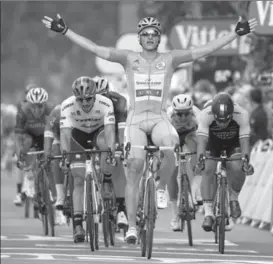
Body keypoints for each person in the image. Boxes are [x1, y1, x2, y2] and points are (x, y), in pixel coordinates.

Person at [42, 13, 257, 243]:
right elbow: (96, 49)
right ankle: (132, 226)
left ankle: (162, 187)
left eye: (154, 34)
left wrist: (234, 34)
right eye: (146, 34)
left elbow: (204, 50)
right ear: (140, 38)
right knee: (134, 167)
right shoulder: (128, 58)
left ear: (159, 38)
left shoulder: (171, 58)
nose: (150, 37)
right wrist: (66, 32)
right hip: (135, 119)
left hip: (159, 117)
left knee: (171, 145)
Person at [59, 76, 116, 243]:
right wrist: (64, 156)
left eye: (88, 99)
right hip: (78, 136)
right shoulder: (67, 105)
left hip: (99, 133)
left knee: (106, 144)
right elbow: (65, 133)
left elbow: (110, 130)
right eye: (80, 100)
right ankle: (78, 224)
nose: (84, 103)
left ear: (95, 95)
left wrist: (111, 151)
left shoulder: (105, 103)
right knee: (78, 177)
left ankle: (105, 179)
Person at [196, 92, 254, 232]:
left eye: (226, 121)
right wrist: (200, 158)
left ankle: (234, 198)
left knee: (238, 166)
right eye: (219, 121)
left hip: (233, 143)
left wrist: (245, 159)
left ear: (232, 113)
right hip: (212, 143)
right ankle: (208, 212)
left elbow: (244, 140)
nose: (222, 124)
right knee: (208, 168)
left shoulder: (242, 114)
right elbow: (202, 140)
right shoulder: (205, 114)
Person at [93, 75, 128, 229]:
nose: (101, 99)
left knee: (117, 160)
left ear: (109, 92)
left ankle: (121, 208)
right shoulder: (86, 102)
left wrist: (120, 146)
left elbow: (121, 129)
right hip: (96, 131)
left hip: (114, 129)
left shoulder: (118, 102)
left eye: (104, 95)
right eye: (97, 97)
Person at [166, 94, 202, 230]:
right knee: (171, 170)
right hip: (173, 135)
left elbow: (203, 137)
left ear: (191, 111)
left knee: (196, 151)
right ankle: (175, 215)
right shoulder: (168, 116)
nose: (182, 117)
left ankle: (195, 190)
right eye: (179, 114)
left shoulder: (197, 115)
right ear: (174, 112)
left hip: (189, 135)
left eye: (186, 114)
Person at [14, 87, 55, 206]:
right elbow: (18, 137)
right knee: (26, 142)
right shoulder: (22, 111)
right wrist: (19, 157)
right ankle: (29, 178)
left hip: (45, 135)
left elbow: (58, 132)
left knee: (51, 162)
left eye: (40, 106)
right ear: (29, 104)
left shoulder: (51, 109)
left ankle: (54, 196)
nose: (37, 110)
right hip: (29, 136)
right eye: (34, 106)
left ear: (45, 104)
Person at [44, 104, 67, 225]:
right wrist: (47, 153)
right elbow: (48, 135)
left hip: (74, 136)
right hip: (57, 137)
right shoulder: (56, 113)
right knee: (56, 155)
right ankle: (60, 195)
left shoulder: (76, 111)